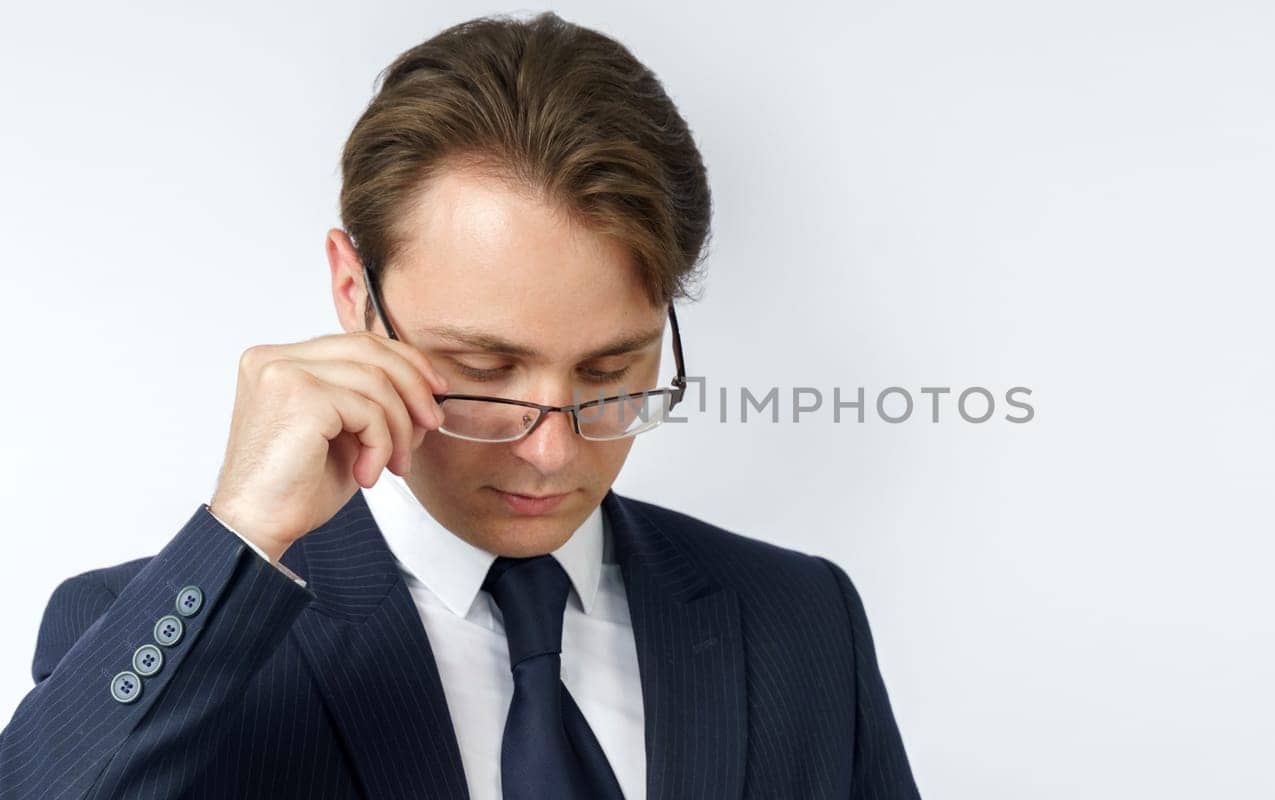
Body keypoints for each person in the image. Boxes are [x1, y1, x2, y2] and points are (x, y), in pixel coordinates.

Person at [0, 12, 918, 799]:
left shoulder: (802, 621)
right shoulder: (150, 629)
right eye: (484, 367)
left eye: (609, 371)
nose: (553, 451)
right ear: (355, 295)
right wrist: (237, 535)